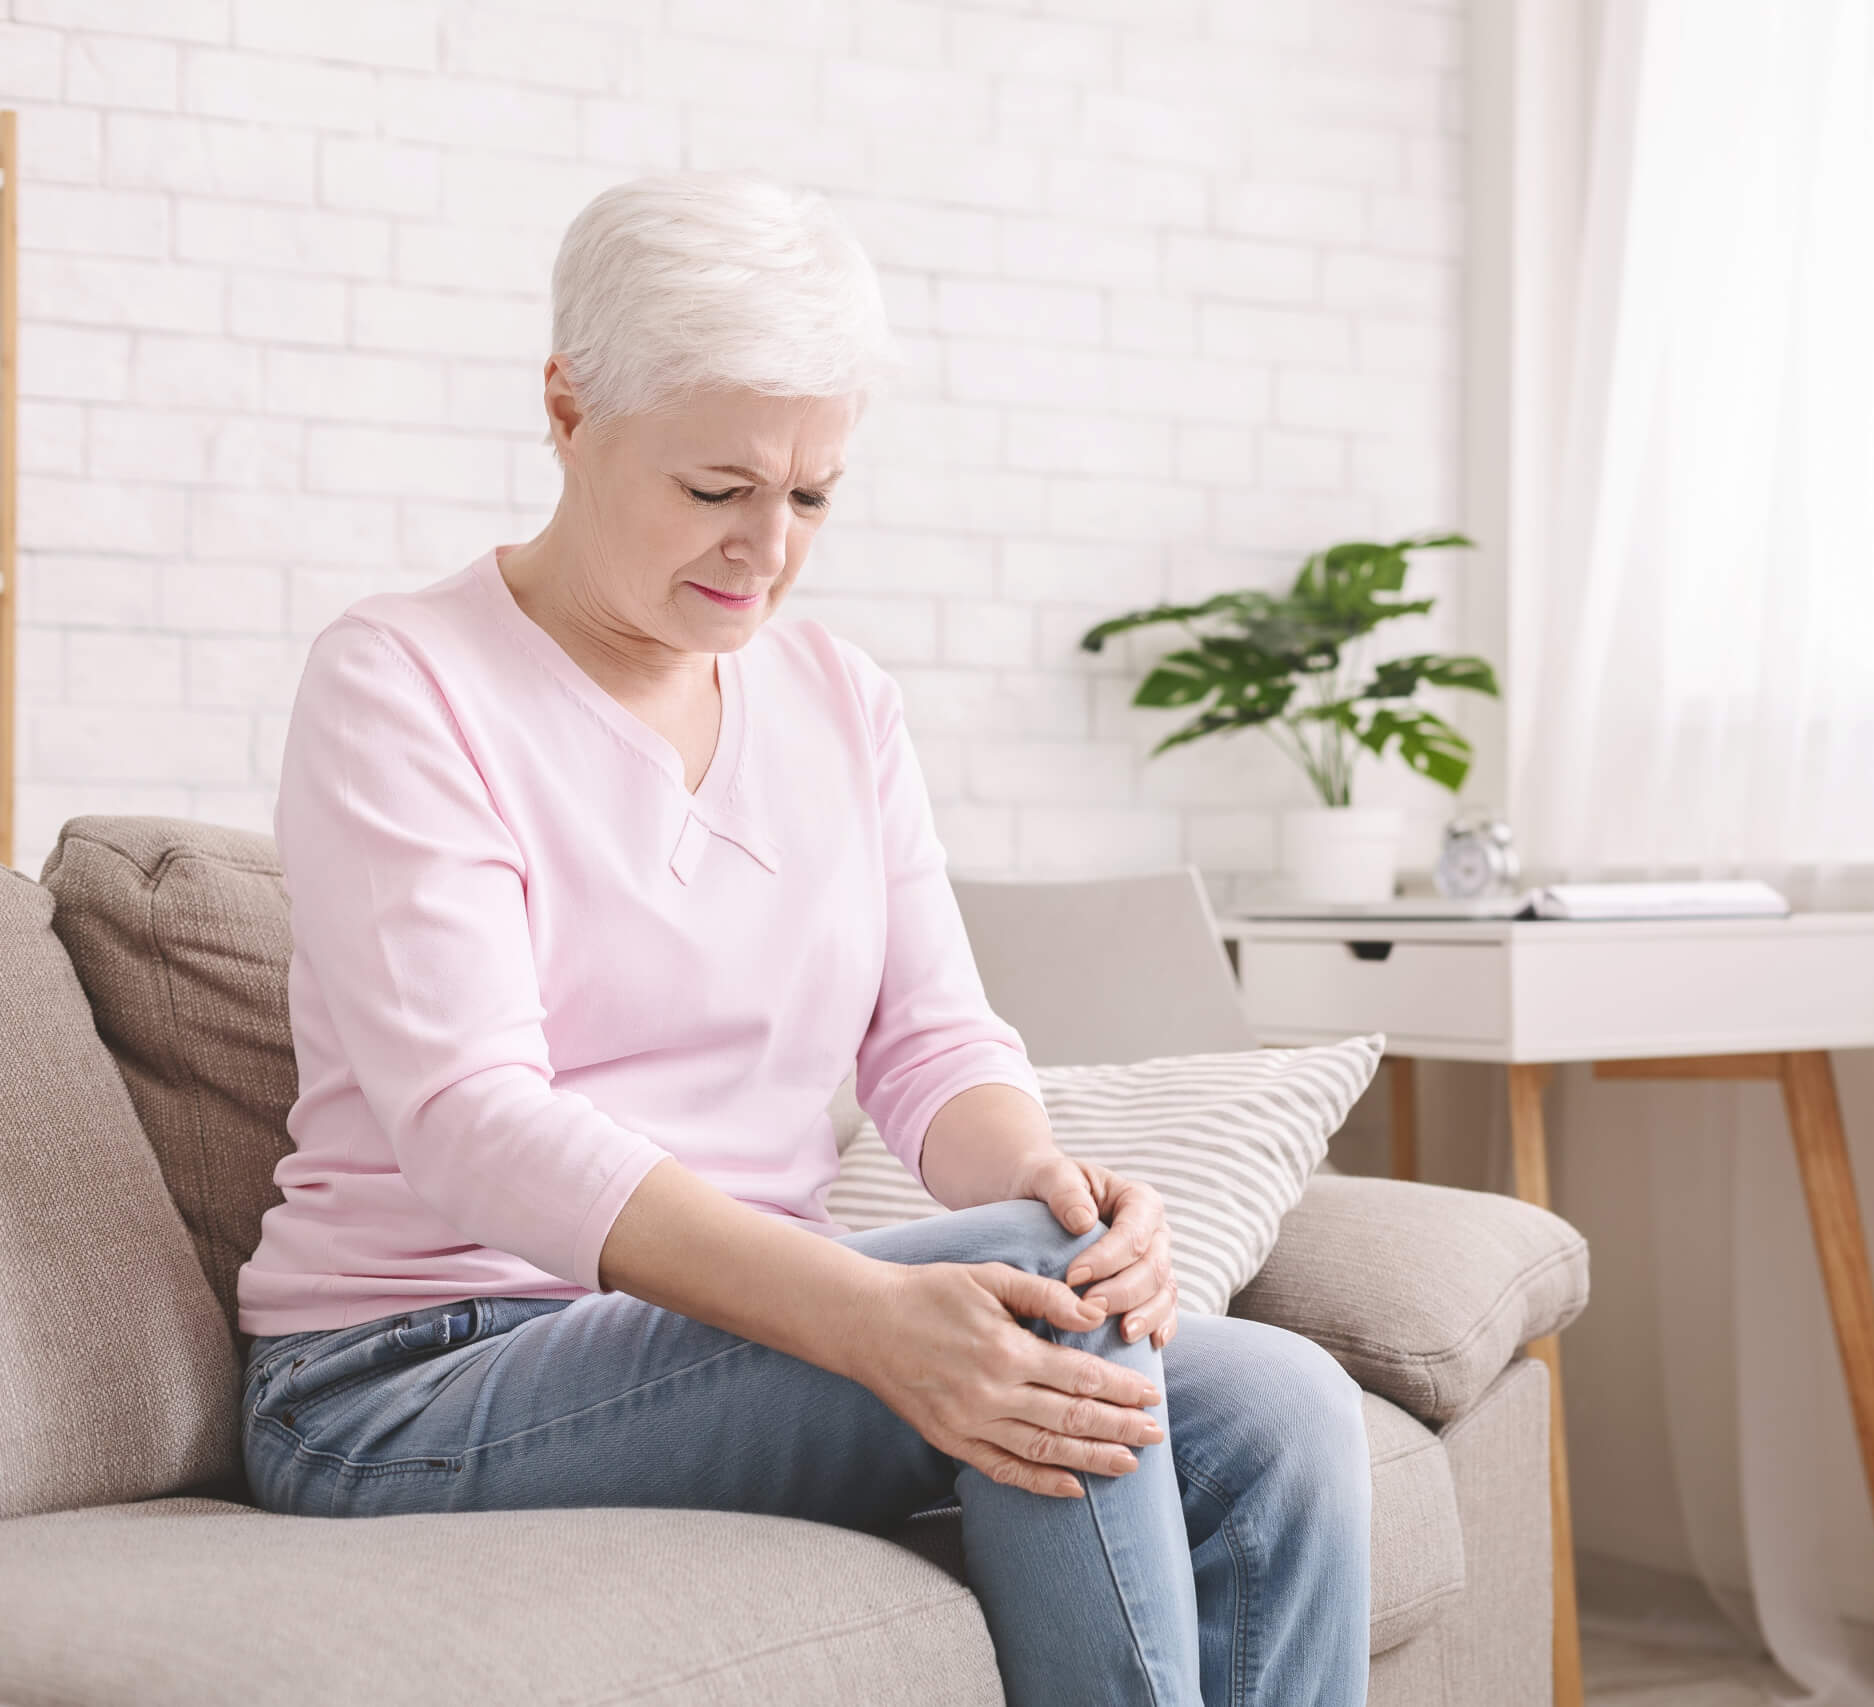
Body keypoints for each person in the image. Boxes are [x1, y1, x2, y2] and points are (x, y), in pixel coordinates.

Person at [231, 171, 1372, 1706]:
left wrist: (1046, 1181)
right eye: (718, 489)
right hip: (412, 1376)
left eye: (813, 495)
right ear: (568, 407)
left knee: (1286, 1410)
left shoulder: (839, 700)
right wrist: (879, 1314)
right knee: (1024, 1293)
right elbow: (468, 1124)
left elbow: (931, 1043)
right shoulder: (405, 680)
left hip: (718, 1340)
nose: (766, 547)